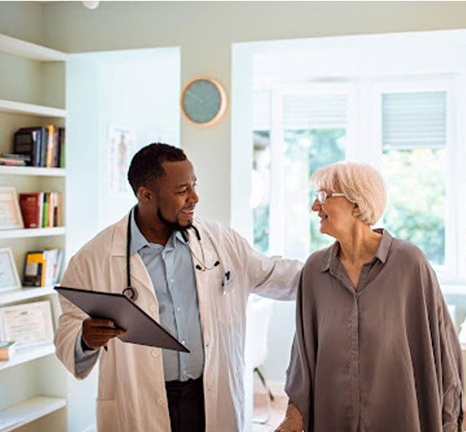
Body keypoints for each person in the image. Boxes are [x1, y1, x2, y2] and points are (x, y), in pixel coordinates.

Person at [54, 143, 302, 432]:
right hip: (139, 400)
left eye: (194, 185)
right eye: (182, 190)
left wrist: (343, 263)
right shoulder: (93, 258)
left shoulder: (218, 240)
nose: (194, 198)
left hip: (208, 396)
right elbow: (67, 330)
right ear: (146, 195)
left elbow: (275, 273)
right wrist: (85, 338)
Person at [275, 161, 463, 432]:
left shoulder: (409, 263)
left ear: (356, 203)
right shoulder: (315, 271)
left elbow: (444, 353)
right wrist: (294, 416)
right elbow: (302, 358)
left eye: (323, 196)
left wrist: (449, 422)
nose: (314, 207)